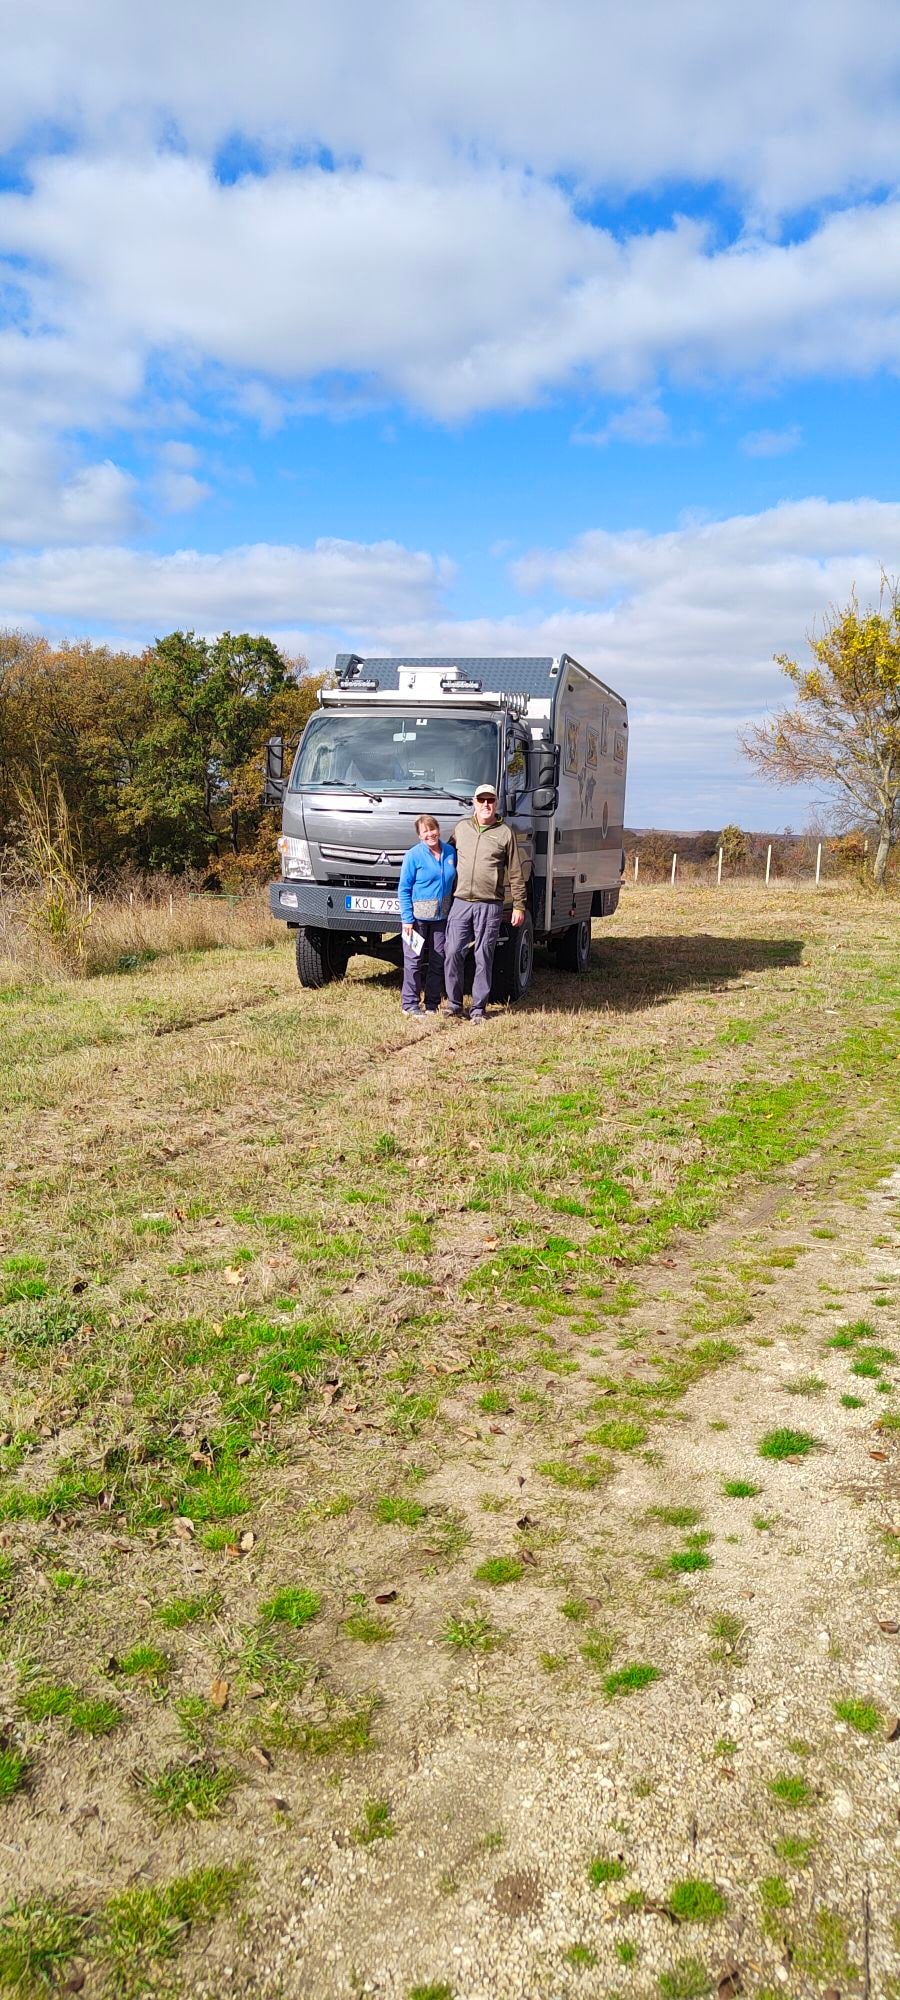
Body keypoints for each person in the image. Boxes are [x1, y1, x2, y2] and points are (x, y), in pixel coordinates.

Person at [444, 783, 526, 1023]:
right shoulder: (461, 829)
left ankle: (478, 1009)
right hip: (460, 903)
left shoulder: (505, 833)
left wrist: (519, 905)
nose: (486, 805)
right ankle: (454, 1004)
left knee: (483, 955)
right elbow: (444, 859)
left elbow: (515, 872)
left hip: (490, 905)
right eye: (482, 800)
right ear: (474, 803)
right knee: (452, 952)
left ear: (496, 803)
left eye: (490, 800)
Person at [397, 814, 457, 1018]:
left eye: (433, 829)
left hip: (442, 918)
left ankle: (432, 1003)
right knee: (413, 961)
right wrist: (407, 919)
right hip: (416, 920)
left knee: (438, 959)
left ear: (438, 830)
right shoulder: (413, 856)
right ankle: (410, 1004)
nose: (430, 834)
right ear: (419, 836)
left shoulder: (450, 852)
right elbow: (404, 888)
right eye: (425, 831)